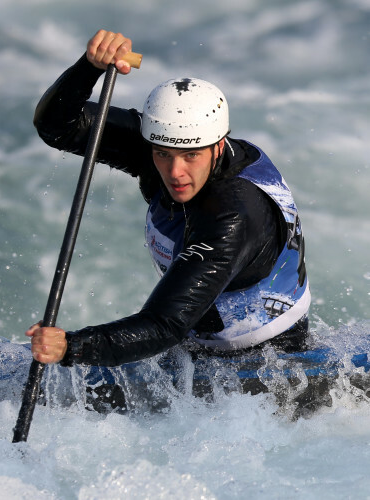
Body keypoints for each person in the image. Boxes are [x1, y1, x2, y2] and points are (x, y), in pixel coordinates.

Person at [27, 29, 311, 369]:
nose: (175, 171)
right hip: (195, 347)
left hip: (270, 361)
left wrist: (71, 348)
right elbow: (57, 126)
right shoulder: (165, 143)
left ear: (218, 146)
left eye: (191, 157)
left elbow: (165, 325)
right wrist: (90, 67)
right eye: (163, 155)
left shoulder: (232, 217)